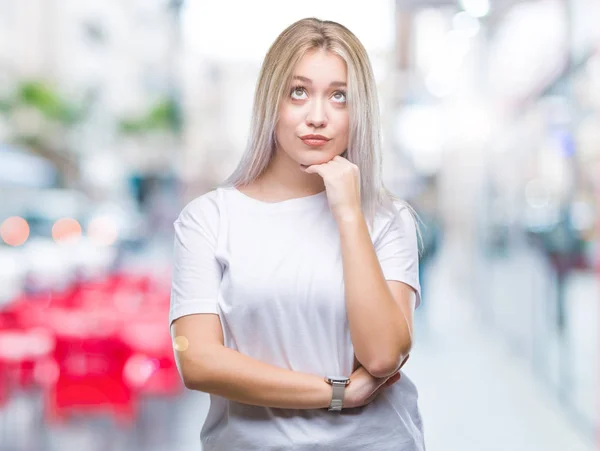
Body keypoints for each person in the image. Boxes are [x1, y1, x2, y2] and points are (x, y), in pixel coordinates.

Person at [170, 17, 424, 450]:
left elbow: (383, 355)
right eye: (299, 92)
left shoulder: (385, 218)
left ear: (357, 110)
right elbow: (198, 361)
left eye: (339, 96)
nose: (318, 116)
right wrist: (336, 394)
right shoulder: (209, 218)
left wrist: (347, 211)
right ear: (273, 101)